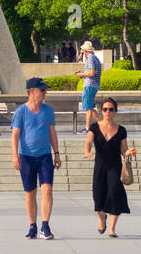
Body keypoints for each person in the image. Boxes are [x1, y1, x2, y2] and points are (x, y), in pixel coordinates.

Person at [11, 78, 61, 239]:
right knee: (30, 192)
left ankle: (45, 225)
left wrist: (57, 153)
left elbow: (52, 132)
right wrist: (14, 156)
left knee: (47, 189)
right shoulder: (21, 112)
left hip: (45, 156)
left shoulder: (48, 111)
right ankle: (32, 226)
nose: (45, 93)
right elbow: (15, 135)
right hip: (26, 157)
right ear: (31, 91)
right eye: (42, 90)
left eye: (45, 90)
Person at [86, 96, 135, 238]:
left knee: (114, 195)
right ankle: (102, 219)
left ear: (115, 112)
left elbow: (123, 150)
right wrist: (87, 151)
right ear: (102, 111)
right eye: (105, 109)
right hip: (100, 168)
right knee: (97, 198)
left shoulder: (121, 130)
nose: (108, 112)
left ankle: (112, 229)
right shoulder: (95, 127)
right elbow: (88, 142)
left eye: (111, 109)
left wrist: (129, 152)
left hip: (115, 167)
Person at [72, 39, 102, 134]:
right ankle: (94, 126)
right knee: (89, 107)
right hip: (93, 85)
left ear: (85, 51)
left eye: (83, 51)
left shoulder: (90, 58)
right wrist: (83, 74)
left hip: (90, 85)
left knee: (88, 107)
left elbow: (92, 73)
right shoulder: (95, 58)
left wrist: (82, 75)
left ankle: (95, 126)